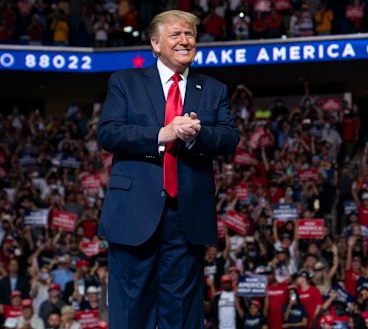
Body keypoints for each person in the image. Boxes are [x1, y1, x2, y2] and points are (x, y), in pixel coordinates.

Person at [97, 9, 239, 329]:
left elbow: (230, 139)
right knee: (133, 307)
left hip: (186, 215)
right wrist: (164, 133)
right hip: (134, 214)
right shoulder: (125, 82)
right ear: (155, 44)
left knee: (183, 308)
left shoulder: (214, 89)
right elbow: (108, 133)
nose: (184, 40)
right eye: (175, 35)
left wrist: (197, 134)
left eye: (189, 34)